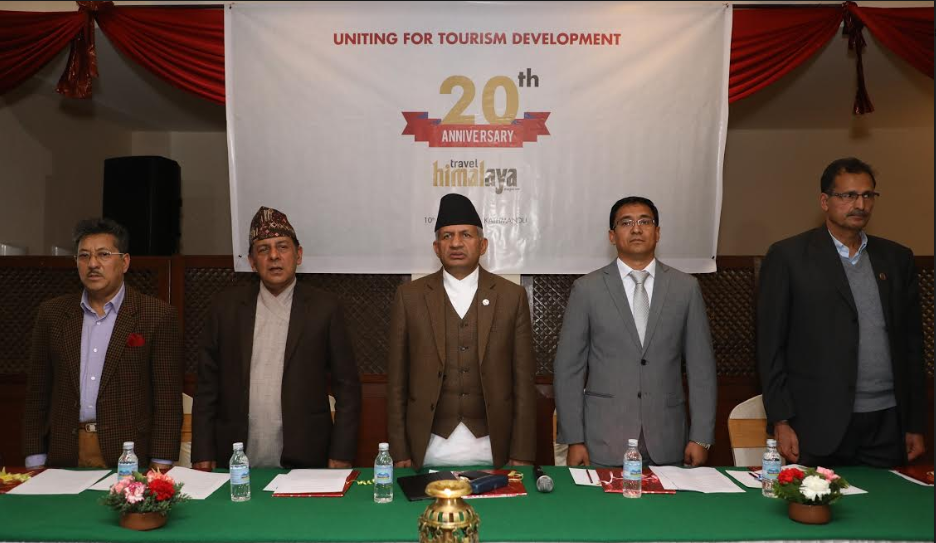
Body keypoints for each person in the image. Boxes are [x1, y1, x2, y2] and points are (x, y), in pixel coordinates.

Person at [758, 157, 926, 467]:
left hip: (887, 423)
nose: (860, 204)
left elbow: (912, 345)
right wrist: (781, 420)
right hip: (817, 423)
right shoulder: (788, 257)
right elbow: (770, 347)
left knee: (888, 499)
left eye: (867, 195)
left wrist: (915, 423)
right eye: (848, 195)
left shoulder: (897, 259)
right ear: (825, 201)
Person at [192, 206, 361, 469]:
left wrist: (341, 453)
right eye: (263, 249)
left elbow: (347, 388)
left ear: (298, 255)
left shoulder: (324, 308)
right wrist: (203, 453)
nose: (273, 256)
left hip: (307, 455)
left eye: (282, 247)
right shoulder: (226, 309)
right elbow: (206, 387)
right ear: (252, 262)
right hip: (235, 454)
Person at [554, 196, 717, 467]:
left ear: (658, 232)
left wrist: (701, 437)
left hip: (669, 441)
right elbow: (568, 369)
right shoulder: (587, 289)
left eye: (645, 221)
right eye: (626, 223)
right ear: (612, 236)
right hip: (602, 441)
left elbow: (702, 369)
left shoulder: (686, 288)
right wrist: (574, 439)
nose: (637, 229)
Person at [387, 193, 537, 470]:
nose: (456, 243)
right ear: (436, 247)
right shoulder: (409, 297)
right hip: (427, 452)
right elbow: (397, 383)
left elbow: (524, 383)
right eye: (447, 236)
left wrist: (522, 453)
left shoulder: (511, 297)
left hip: (494, 452)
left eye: (466, 235)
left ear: (483, 244)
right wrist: (399, 452)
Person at [22, 218, 183, 469]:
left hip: (130, 455)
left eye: (103, 254)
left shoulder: (156, 315)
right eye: (84, 256)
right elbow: (37, 393)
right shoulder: (53, 314)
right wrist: (34, 457)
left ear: (125, 262)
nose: (93, 264)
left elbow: (167, 399)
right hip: (64, 452)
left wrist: (161, 462)